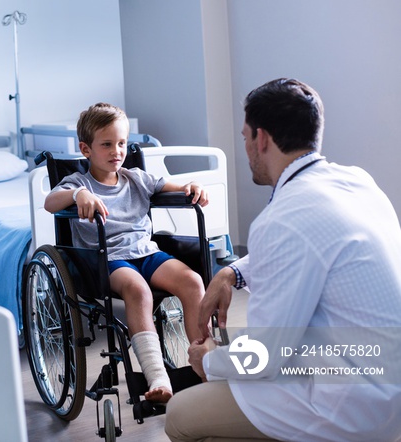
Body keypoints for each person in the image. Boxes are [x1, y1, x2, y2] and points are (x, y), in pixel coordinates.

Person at [164, 78, 401, 441]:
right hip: (387, 383)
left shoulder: (282, 218)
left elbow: (262, 355)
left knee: (180, 414)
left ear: (261, 138)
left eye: (244, 137)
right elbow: (312, 250)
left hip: (349, 405)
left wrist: (207, 359)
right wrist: (232, 274)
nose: (245, 148)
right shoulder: (358, 183)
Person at [45, 102, 209, 404]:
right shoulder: (80, 183)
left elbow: (172, 186)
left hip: (146, 254)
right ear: (86, 149)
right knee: (139, 290)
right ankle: (157, 376)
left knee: (193, 281)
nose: (116, 151)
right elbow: (50, 203)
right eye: (106, 144)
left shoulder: (136, 178)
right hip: (107, 260)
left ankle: (206, 362)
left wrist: (191, 186)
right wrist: (79, 195)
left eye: (121, 143)